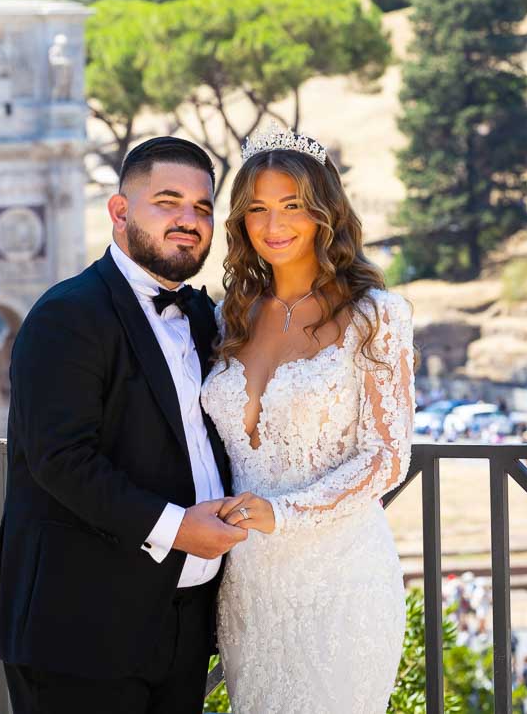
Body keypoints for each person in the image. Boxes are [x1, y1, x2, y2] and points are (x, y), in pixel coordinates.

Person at [0, 137, 242, 714]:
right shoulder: (66, 315)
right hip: (79, 629)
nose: (188, 221)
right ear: (120, 212)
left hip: (181, 624)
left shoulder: (198, 314)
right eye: (167, 202)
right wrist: (176, 528)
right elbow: (59, 460)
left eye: (201, 207)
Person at [200, 127, 414, 712]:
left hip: (340, 577)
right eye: (258, 209)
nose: (274, 225)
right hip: (248, 582)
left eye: (292, 206)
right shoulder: (229, 318)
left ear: (324, 213)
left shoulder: (375, 316)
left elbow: (388, 457)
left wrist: (286, 514)